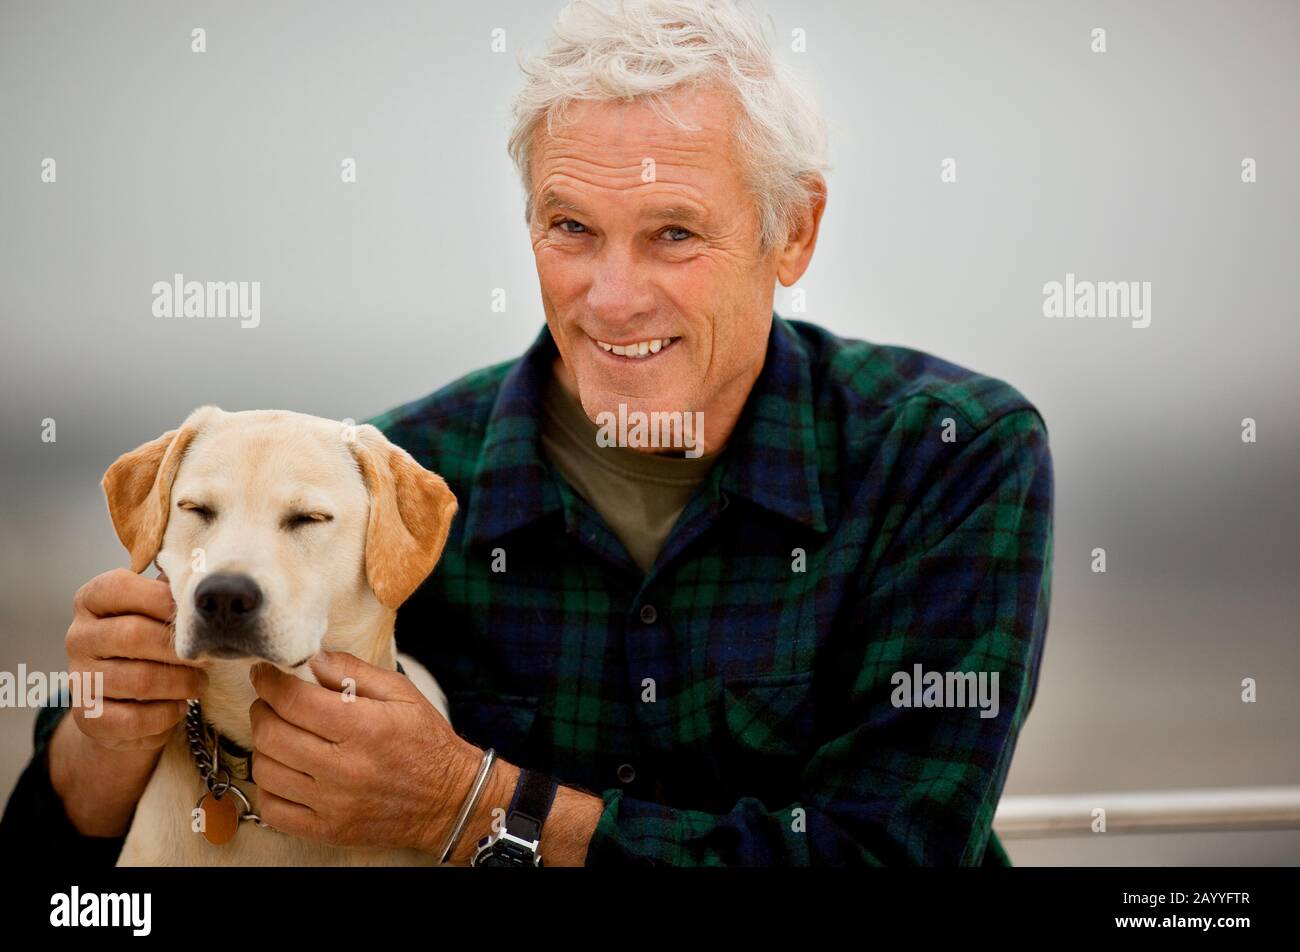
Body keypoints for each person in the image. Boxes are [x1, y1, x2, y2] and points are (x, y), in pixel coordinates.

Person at [1, 0, 1053, 866]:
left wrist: (470, 804)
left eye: (674, 233)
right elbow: (59, 860)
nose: (613, 294)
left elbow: (891, 856)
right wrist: (110, 728)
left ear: (794, 232)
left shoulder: (949, 455)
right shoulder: (383, 486)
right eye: (571, 228)